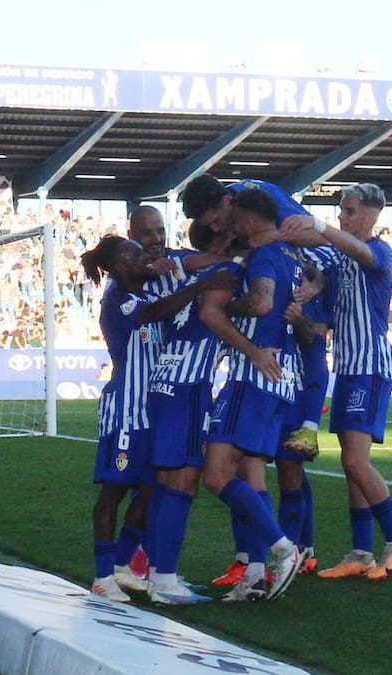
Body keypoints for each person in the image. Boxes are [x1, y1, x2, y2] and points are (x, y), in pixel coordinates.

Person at [281, 183, 392, 581]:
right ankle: (360, 552)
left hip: (370, 366)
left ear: (372, 215)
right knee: (352, 464)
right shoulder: (338, 264)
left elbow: (356, 250)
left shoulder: (380, 251)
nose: (344, 217)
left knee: (355, 461)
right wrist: (303, 309)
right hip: (349, 368)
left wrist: (318, 225)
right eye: (341, 211)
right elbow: (321, 324)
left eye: (351, 211)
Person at [80, 235, 213, 603]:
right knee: (114, 491)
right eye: (135, 255)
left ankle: (123, 565)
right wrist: (200, 285)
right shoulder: (117, 300)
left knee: (151, 489)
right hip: (125, 410)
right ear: (121, 265)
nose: (143, 259)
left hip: (153, 410)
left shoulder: (148, 294)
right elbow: (154, 315)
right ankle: (102, 576)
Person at [198, 188, 304, 602]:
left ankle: (283, 550)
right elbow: (310, 283)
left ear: (249, 218)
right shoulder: (291, 256)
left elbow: (260, 304)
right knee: (251, 475)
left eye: (236, 217)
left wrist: (225, 307)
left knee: (216, 475)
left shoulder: (263, 256)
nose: (232, 225)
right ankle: (256, 572)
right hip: (281, 377)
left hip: (254, 374)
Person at [142, 220, 241, 605]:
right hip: (189, 387)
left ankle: (157, 574)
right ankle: (165, 581)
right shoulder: (226, 273)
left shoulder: (186, 274)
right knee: (183, 484)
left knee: (166, 484)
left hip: (163, 383)